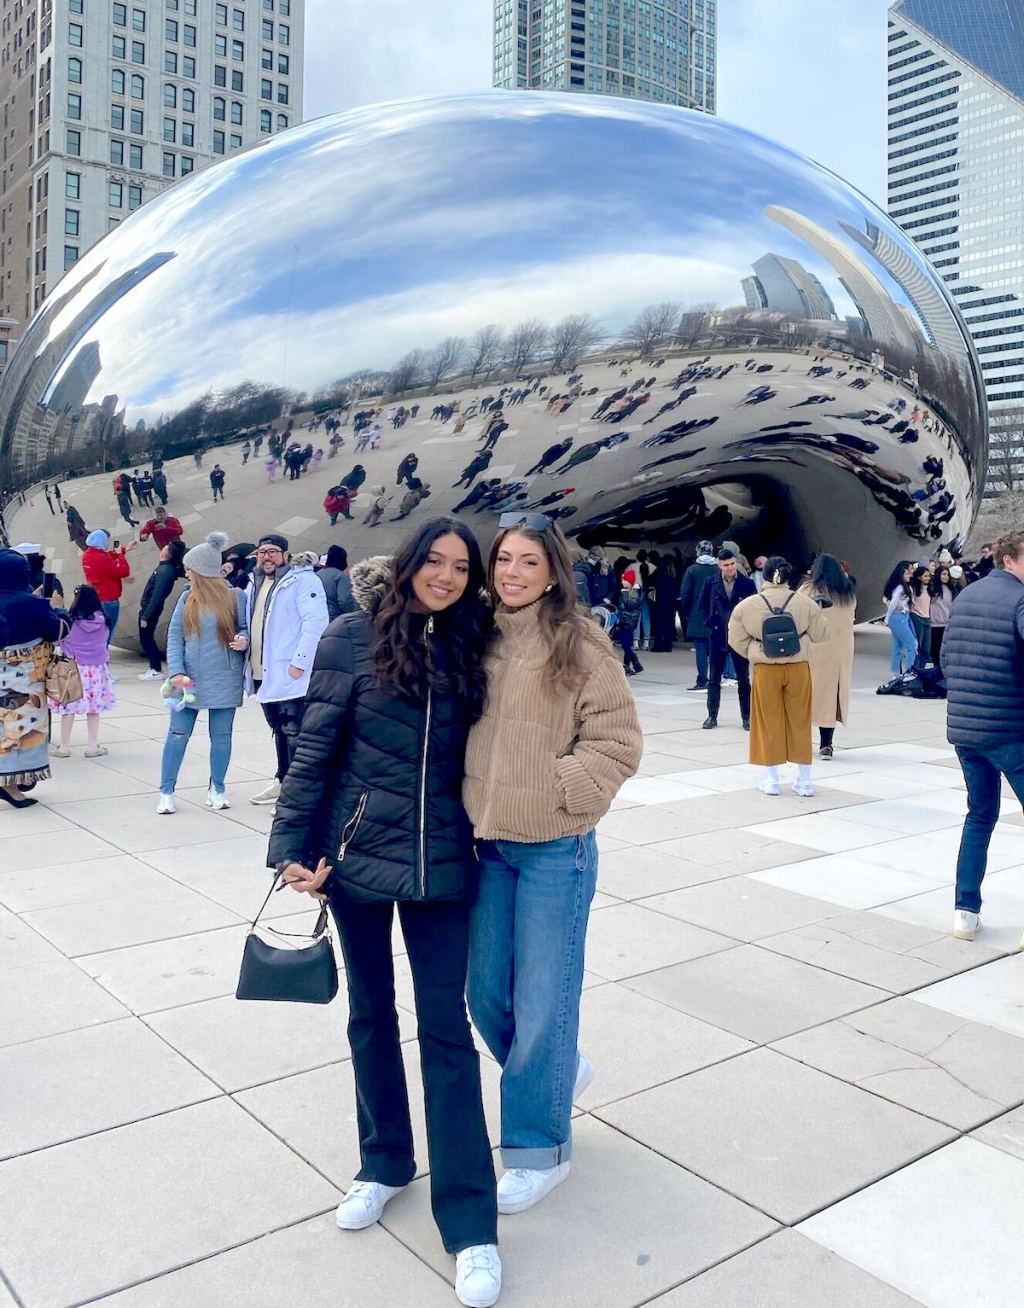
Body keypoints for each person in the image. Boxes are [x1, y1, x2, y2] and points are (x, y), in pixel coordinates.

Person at [269, 521, 501, 1308]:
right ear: (407, 565)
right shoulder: (351, 636)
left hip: (444, 868)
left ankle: (470, 1223)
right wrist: (290, 849)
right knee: (371, 1017)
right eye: (432, 561)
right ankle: (384, 1162)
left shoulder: (477, 640)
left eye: (460, 566)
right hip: (357, 861)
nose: (444, 575)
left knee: (446, 1034)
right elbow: (313, 747)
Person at [464, 512, 642, 1217]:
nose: (511, 572)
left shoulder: (578, 643)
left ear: (553, 571)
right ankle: (558, 1071)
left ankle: (540, 1147)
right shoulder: (476, 636)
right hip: (485, 844)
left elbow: (618, 740)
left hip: (551, 850)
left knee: (543, 1000)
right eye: (504, 559)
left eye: (527, 562)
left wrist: (564, 791)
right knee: (485, 996)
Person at [943, 530, 1024, 946]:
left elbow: (946, 659)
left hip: (967, 729)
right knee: (981, 814)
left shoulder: (966, 597)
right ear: (1009, 560)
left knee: (979, 816)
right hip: (1010, 729)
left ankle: (965, 913)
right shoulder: (1019, 599)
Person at [157, 532, 249, 814]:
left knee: (221, 737)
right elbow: (175, 637)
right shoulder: (187, 598)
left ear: (201, 571)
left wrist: (243, 639)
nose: (186, 572)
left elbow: (245, 628)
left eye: (189, 568)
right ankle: (166, 791)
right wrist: (176, 672)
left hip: (224, 676)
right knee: (177, 734)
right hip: (187, 678)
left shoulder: (236, 597)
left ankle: (217, 788)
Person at [728, 555, 829, 797]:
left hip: (765, 669)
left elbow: (735, 639)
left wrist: (756, 651)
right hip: (797, 667)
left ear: (765, 575)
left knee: (767, 722)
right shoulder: (805, 603)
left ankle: (772, 780)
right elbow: (821, 634)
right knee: (800, 721)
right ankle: (804, 781)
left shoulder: (748, 605)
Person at [245, 533, 330, 808]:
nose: (266, 556)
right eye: (261, 552)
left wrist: (300, 662)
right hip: (262, 670)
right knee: (278, 730)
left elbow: (316, 622)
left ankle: (297, 793)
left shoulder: (303, 581)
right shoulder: (254, 583)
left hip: (289, 672)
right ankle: (282, 780)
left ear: (285, 554)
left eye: (272, 551)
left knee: (294, 732)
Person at [0, 549, 66, 808]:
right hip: (25, 682)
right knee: (23, 730)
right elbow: (58, 631)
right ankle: (12, 785)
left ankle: (11, 783)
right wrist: (58, 610)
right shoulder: (29, 603)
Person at [48, 584, 115, 758]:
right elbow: (105, 640)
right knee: (94, 709)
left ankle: (64, 747)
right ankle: (93, 746)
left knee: (68, 708)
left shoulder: (70, 621)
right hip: (97, 669)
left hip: (73, 668)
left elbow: (58, 641)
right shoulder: (104, 620)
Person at [802, 553, 856, 759]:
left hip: (815, 648)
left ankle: (801, 741)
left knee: (808, 694)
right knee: (833, 695)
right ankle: (827, 744)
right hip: (842, 650)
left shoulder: (809, 590)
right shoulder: (848, 593)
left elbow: (798, 615)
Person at [700, 548, 756, 730]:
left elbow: (754, 608)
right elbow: (701, 605)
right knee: (714, 679)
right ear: (719, 565)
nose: (730, 568)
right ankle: (712, 715)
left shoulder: (747, 584)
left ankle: (747, 717)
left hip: (739, 637)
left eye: (732, 564)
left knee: (743, 679)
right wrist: (709, 621)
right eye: (726, 565)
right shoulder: (711, 582)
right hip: (717, 635)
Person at [137, 539, 186, 680]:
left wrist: (146, 616)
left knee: (146, 639)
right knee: (145, 639)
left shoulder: (165, 571)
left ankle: (155, 668)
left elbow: (157, 595)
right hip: (149, 609)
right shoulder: (164, 568)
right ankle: (154, 667)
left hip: (150, 610)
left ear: (167, 553)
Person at [81, 530, 136, 644]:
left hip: (96, 598)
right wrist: (120, 555)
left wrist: (124, 550)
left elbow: (107, 557)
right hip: (108, 600)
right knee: (107, 633)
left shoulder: (88, 555)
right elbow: (123, 571)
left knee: (99, 632)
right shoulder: (102, 559)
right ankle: (102, 658)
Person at [678, 542, 717, 689]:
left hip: (697, 612)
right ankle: (714, 680)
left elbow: (685, 593)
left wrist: (686, 611)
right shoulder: (718, 570)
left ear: (698, 552)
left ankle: (702, 681)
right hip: (716, 613)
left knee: (700, 648)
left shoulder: (692, 570)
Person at [883, 561, 917, 678]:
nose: (909, 575)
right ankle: (909, 672)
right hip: (899, 617)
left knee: (897, 646)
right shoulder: (900, 587)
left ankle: (896, 673)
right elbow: (893, 603)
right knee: (911, 645)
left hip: (901, 617)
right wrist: (887, 618)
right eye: (907, 573)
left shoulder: (902, 586)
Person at [616, 567, 644, 675]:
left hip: (627, 622)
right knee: (626, 644)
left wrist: (623, 593)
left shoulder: (632, 594)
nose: (622, 582)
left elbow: (628, 605)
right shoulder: (629, 592)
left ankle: (636, 663)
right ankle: (627, 666)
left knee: (626, 645)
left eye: (624, 580)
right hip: (627, 622)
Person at [317, 545, 356, 621]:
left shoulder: (317, 574)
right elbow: (345, 602)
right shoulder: (341, 576)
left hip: (316, 616)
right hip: (334, 619)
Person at [929, 563, 956, 671]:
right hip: (934, 624)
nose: (946, 577)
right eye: (943, 574)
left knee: (944, 650)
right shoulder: (932, 588)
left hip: (946, 624)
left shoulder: (951, 589)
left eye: (947, 574)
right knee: (935, 650)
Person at [906, 563, 932, 671]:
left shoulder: (930, 588)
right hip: (917, 617)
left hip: (927, 619)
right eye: (925, 576)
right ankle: (914, 670)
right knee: (918, 647)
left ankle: (920, 669)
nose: (928, 578)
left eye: (929, 576)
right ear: (919, 577)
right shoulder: (913, 589)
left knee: (926, 649)